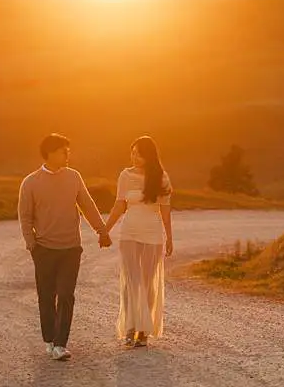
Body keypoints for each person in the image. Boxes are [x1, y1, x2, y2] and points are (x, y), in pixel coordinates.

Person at [18, 132, 113, 361]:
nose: (67, 154)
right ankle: (49, 339)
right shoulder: (31, 182)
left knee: (66, 295)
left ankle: (60, 343)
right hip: (44, 249)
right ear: (50, 153)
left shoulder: (74, 177)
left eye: (68, 150)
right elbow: (25, 216)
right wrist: (32, 245)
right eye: (63, 151)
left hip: (71, 248)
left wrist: (102, 231)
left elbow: (87, 205)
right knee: (46, 296)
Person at [104, 135, 174, 347]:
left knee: (147, 281)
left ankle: (144, 331)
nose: (135, 157)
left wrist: (169, 237)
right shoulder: (125, 175)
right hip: (129, 233)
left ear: (149, 156)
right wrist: (104, 230)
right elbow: (119, 206)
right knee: (131, 282)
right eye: (133, 152)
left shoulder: (161, 177)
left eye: (139, 154)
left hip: (152, 233)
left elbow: (165, 210)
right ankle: (130, 328)